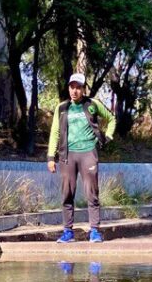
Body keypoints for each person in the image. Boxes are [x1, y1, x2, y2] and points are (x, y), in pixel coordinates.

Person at [47, 73, 116, 243]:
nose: (75, 91)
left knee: (91, 192)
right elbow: (55, 132)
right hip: (67, 155)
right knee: (67, 193)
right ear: (69, 88)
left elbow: (111, 119)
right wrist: (50, 156)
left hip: (88, 153)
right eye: (72, 87)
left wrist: (107, 137)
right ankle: (67, 232)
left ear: (83, 89)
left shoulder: (92, 104)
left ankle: (94, 231)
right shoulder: (62, 108)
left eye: (78, 87)